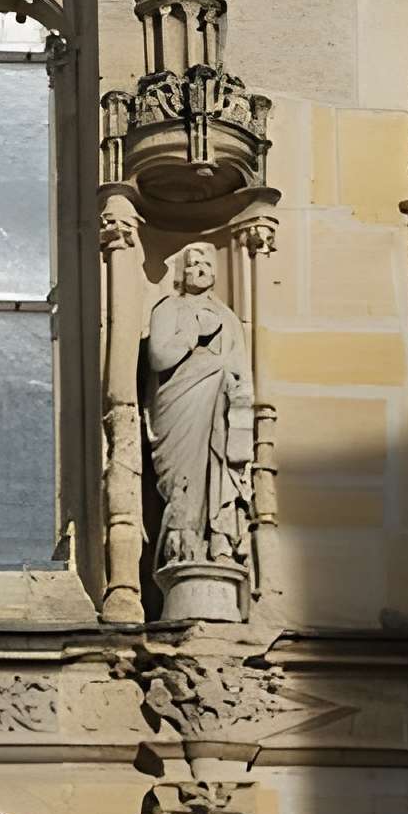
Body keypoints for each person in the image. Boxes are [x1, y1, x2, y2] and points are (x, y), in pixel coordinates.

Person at [144, 240, 254, 575]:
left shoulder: (228, 318)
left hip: (220, 411)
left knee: (221, 472)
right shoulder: (168, 309)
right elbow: (159, 358)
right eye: (193, 263)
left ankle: (220, 542)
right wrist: (192, 334)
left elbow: (241, 372)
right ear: (182, 271)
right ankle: (181, 548)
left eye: (208, 263)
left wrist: (241, 407)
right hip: (179, 405)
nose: (202, 268)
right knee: (183, 481)